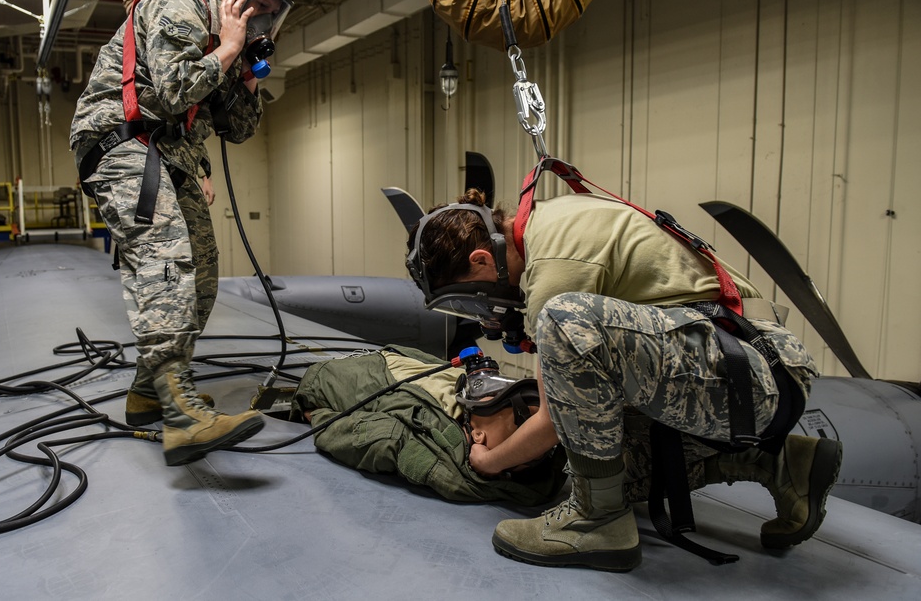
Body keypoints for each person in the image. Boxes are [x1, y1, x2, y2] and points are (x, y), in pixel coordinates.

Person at [406, 188, 842, 572]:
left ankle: (597, 521)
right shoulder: (549, 223)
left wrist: (488, 462)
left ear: (481, 258)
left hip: (752, 372)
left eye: (469, 295)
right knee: (609, 466)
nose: (480, 311)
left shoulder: (553, 264)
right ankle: (780, 463)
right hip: (749, 370)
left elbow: (553, 422)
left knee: (563, 325)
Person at [69, 0, 291, 466]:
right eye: (260, 4)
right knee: (167, 259)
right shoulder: (179, 7)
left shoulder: (223, 42)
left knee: (204, 268)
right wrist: (231, 49)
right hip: (118, 139)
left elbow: (236, 129)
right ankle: (183, 416)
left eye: (275, 13)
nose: (265, 19)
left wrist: (248, 81)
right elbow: (171, 92)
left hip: (165, 150)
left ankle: (150, 393)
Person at [289, 345, 568, 505]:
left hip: (331, 381)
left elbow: (367, 437)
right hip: (395, 360)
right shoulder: (471, 406)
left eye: (503, 403)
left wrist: (318, 416)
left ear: (480, 438)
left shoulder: (433, 455)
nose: (495, 392)